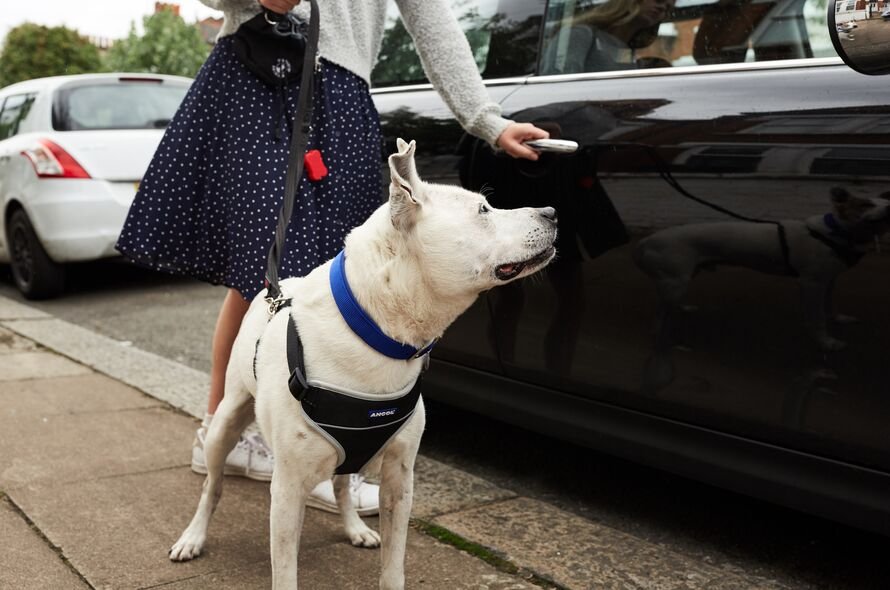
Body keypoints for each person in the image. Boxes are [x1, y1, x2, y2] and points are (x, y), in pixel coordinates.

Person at [115, 0, 548, 515]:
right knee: (266, 267)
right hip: (258, 73)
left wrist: (485, 119)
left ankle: (309, 446)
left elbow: (431, 20)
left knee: (313, 271)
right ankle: (230, 434)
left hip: (340, 96)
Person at [543, 0, 675, 74]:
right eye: (659, 0)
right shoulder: (580, 34)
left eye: (668, 8)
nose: (662, 7)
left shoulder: (625, 49)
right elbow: (561, 89)